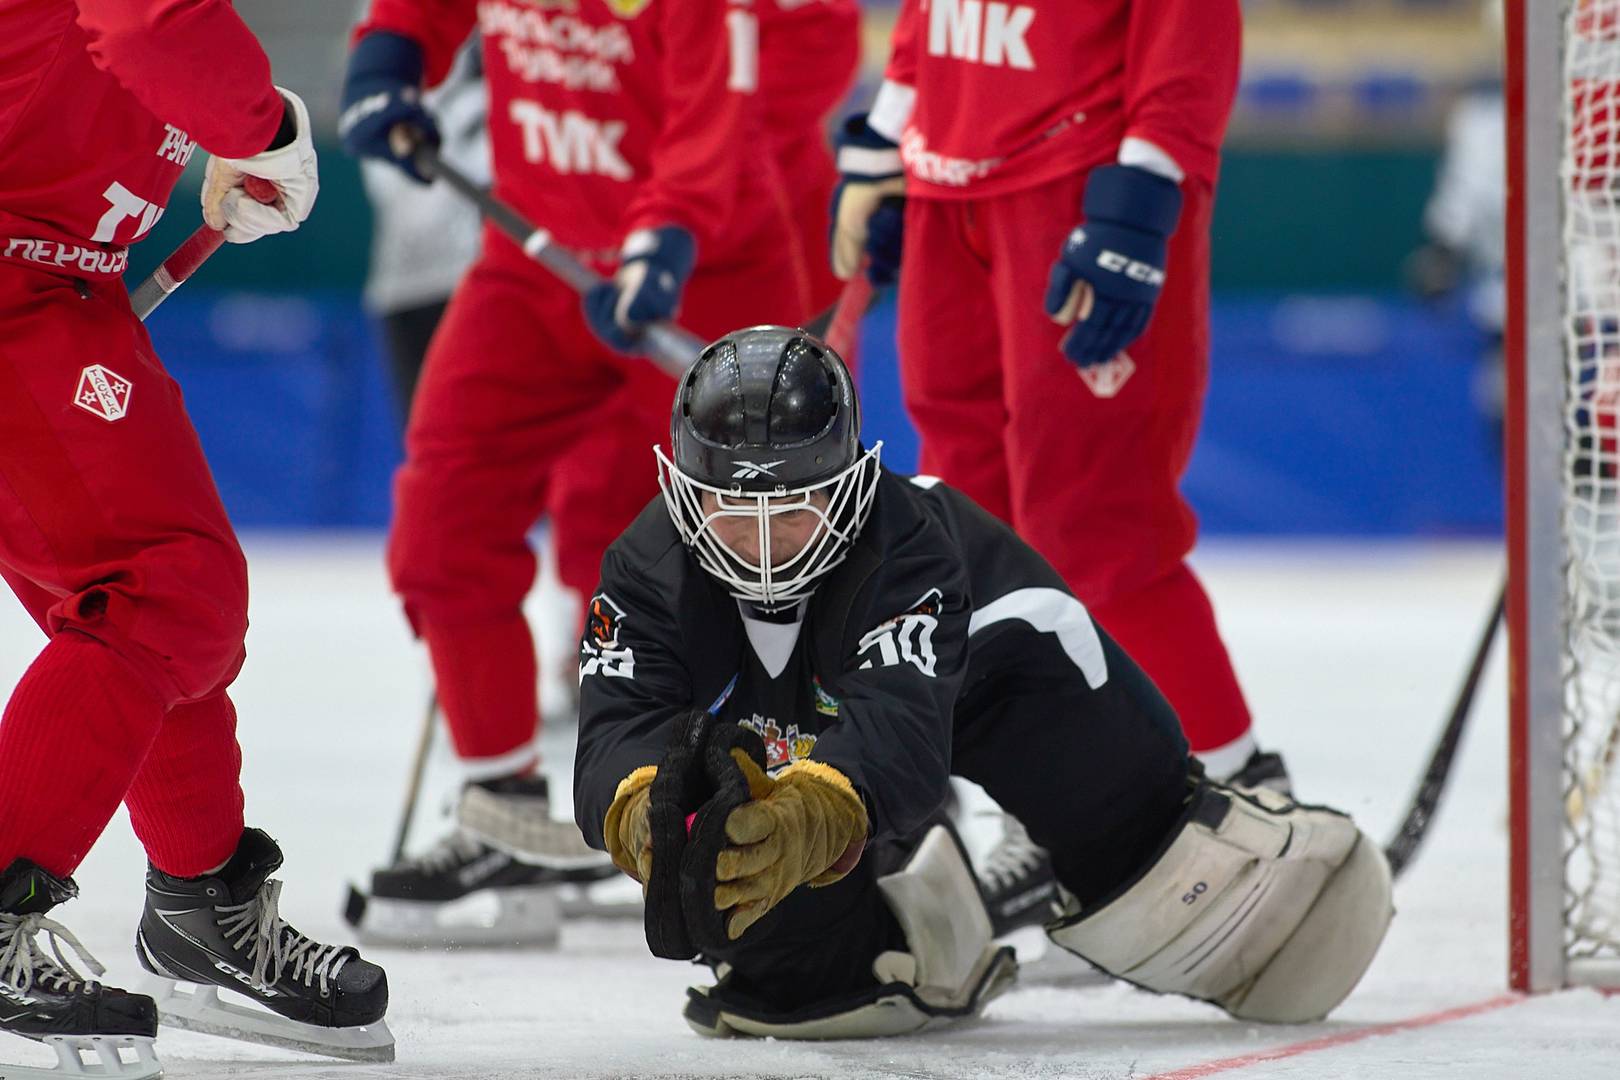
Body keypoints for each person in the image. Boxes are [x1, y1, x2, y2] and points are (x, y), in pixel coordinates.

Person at [573, 326, 1392, 1038]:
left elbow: (900, 724)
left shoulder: (907, 545)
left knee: (1214, 909)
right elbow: (615, 730)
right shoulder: (642, 570)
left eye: (792, 510)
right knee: (753, 916)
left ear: (849, 486)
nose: (761, 546)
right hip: (816, 733)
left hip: (1003, 684)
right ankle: (921, 923)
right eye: (730, 510)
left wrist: (815, 812)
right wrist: (643, 813)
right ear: (683, 496)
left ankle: (1147, 828)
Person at [339, 0, 811, 944]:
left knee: (761, 557)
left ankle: (797, 813)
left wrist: (663, 238)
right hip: (533, 261)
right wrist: (389, 56)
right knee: (441, 527)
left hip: (700, 268)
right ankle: (503, 808)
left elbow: (709, 112)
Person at [827, 0, 1286, 927]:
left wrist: (1147, 187)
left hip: (1075, 184)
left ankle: (1241, 794)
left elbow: (1189, 24)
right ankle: (1044, 814)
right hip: (953, 183)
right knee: (967, 541)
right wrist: (889, 144)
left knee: (1100, 526)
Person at [0, 2, 392, 1075]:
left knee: (155, 603)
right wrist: (259, 124)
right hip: (22, 281)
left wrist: (211, 146)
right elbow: (145, 23)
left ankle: (199, 899)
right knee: (162, 588)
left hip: (59, 278)